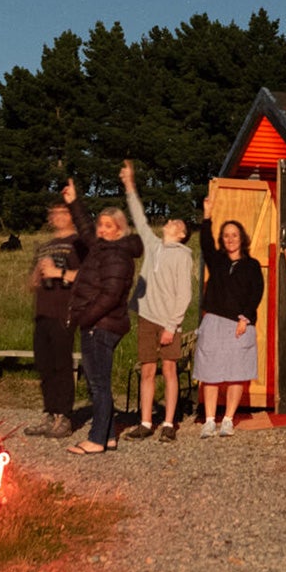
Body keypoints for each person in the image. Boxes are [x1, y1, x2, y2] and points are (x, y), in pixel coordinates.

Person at [64, 179, 142, 456]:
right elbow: (85, 230)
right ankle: (108, 436)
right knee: (100, 383)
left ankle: (96, 438)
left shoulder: (117, 254)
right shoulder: (103, 248)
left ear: (119, 229)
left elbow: (110, 294)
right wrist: (74, 201)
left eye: (109, 226)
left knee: (98, 385)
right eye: (101, 225)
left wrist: (86, 318)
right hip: (100, 324)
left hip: (100, 325)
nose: (102, 229)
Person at [119, 161, 193, 442]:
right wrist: (129, 185)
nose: (172, 222)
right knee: (147, 369)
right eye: (172, 220)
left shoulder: (183, 255)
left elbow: (183, 295)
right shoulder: (152, 245)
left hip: (168, 322)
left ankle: (169, 424)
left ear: (182, 233)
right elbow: (139, 218)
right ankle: (146, 421)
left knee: (169, 369)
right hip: (147, 317)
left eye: (178, 222)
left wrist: (172, 326)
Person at [194, 197, 264, 437]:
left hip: (239, 324)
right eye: (226, 235)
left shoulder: (252, 265)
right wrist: (207, 215)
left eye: (234, 234)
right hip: (214, 321)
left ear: (241, 238)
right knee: (210, 372)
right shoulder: (218, 261)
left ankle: (228, 420)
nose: (230, 239)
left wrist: (245, 319)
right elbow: (205, 244)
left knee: (236, 372)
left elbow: (256, 293)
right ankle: (210, 420)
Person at [23, 196, 87, 438]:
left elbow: (86, 276)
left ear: (71, 215)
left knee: (62, 364)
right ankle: (49, 413)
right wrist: (37, 275)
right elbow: (30, 284)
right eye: (54, 212)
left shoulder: (79, 243)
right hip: (42, 311)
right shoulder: (45, 246)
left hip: (65, 311)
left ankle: (64, 416)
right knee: (45, 365)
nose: (57, 216)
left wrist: (58, 272)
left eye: (63, 212)